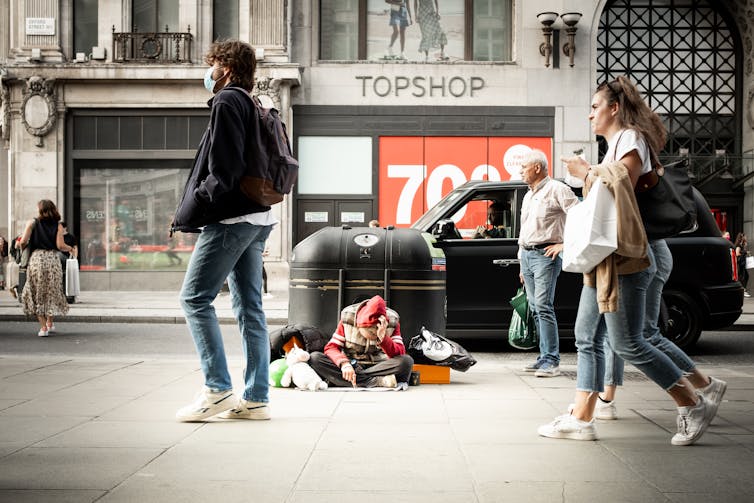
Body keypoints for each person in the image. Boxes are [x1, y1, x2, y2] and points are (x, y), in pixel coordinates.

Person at [540, 76, 722, 446]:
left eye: (595, 107)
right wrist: (591, 171)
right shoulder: (619, 143)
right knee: (586, 336)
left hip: (626, 258)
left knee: (629, 343)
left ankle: (691, 402)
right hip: (609, 256)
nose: (590, 114)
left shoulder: (631, 138)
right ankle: (581, 417)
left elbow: (621, 181)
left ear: (615, 108)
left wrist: (585, 172)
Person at [171, 39, 276, 422]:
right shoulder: (254, 102)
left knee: (194, 299)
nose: (209, 71)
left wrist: (193, 205)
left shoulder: (228, 101)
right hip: (259, 217)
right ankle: (256, 398)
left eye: (213, 63)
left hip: (232, 219)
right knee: (250, 307)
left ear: (226, 69)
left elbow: (223, 172)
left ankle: (217, 389)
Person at [591, 240, 726, 421]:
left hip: (643, 257)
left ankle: (702, 388)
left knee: (644, 334)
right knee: (616, 333)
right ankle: (607, 399)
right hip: (639, 255)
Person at [518, 149, 579, 377]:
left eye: (524, 167)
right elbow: (524, 229)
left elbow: (580, 215)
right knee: (535, 308)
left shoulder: (558, 189)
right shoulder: (528, 194)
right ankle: (543, 357)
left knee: (543, 307)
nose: (520, 171)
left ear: (537, 168)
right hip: (527, 255)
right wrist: (520, 260)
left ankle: (551, 361)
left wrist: (564, 245)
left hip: (545, 256)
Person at [309, 295, 413, 389]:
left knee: (406, 361)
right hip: (352, 365)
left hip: (379, 366)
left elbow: (400, 354)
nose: (373, 337)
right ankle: (376, 381)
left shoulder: (393, 320)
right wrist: (344, 363)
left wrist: (384, 339)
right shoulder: (347, 317)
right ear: (359, 326)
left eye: (376, 334)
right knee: (315, 358)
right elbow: (331, 348)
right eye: (370, 333)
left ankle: (348, 380)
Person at [18, 200, 76, 336]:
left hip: (37, 259)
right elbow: (60, 246)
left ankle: (43, 328)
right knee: (51, 291)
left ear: (40, 210)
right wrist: (71, 248)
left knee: (36, 291)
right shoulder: (58, 226)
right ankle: (50, 323)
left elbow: (24, 242)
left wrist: (20, 247)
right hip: (52, 259)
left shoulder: (32, 223)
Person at [734, 232, 750, 297]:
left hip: (742, 264)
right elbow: (737, 253)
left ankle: (743, 290)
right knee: (743, 277)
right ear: (742, 238)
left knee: (745, 276)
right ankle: (742, 291)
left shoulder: (742, 245)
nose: (746, 238)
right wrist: (744, 252)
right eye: (745, 237)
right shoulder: (739, 246)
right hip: (740, 264)